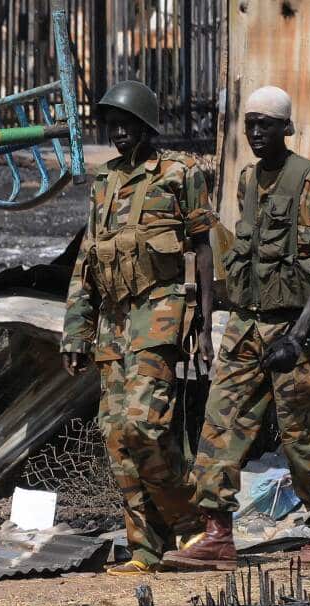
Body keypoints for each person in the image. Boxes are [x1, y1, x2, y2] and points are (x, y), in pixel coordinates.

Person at [163, 86, 310, 571]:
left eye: (266, 124)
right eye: (250, 124)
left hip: (290, 329)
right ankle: (218, 536)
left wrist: (300, 336)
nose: (257, 133)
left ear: (286, 127)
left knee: (302, 435)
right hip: (245, 327)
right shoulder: (246, 180)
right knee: (219, 426)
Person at [60, 81, 216, 575]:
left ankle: (191, 524)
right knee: (116, 436)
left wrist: (206, 321)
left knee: (143, 424)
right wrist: (75, 331)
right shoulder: (103, 181)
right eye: (113, 125)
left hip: (160, 313)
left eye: (128, 124)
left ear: (147, 125)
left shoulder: (180, 172)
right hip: (113, 322)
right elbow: (87, 260)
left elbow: (205, 247)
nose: (120, 133)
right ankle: (145, 548)